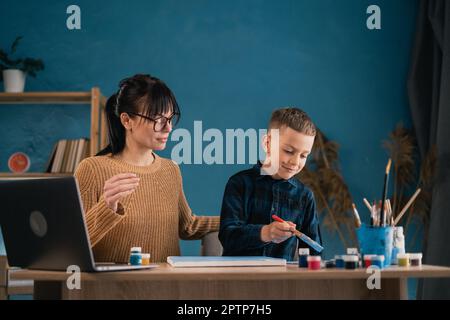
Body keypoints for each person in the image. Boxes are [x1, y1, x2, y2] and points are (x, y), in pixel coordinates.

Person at [74, 74, 219, 263]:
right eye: (158, 120)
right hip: (112, 291)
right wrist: (106, 207)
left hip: (167, 289)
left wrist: (245, 220)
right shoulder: (92, 169)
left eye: (170, 119)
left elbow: (188, 226)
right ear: (127, 121)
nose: (168, 128)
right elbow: (74, 246)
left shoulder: (170, 170)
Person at [218, 107, 322, 260]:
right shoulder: (239, 183)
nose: (295, 162)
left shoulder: (304, 196)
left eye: (304, 155)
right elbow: (228, 237)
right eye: (288, 151)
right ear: (267, 143)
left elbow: (314, 251)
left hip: (281, 282)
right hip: (237, 279)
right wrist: (266, 233)